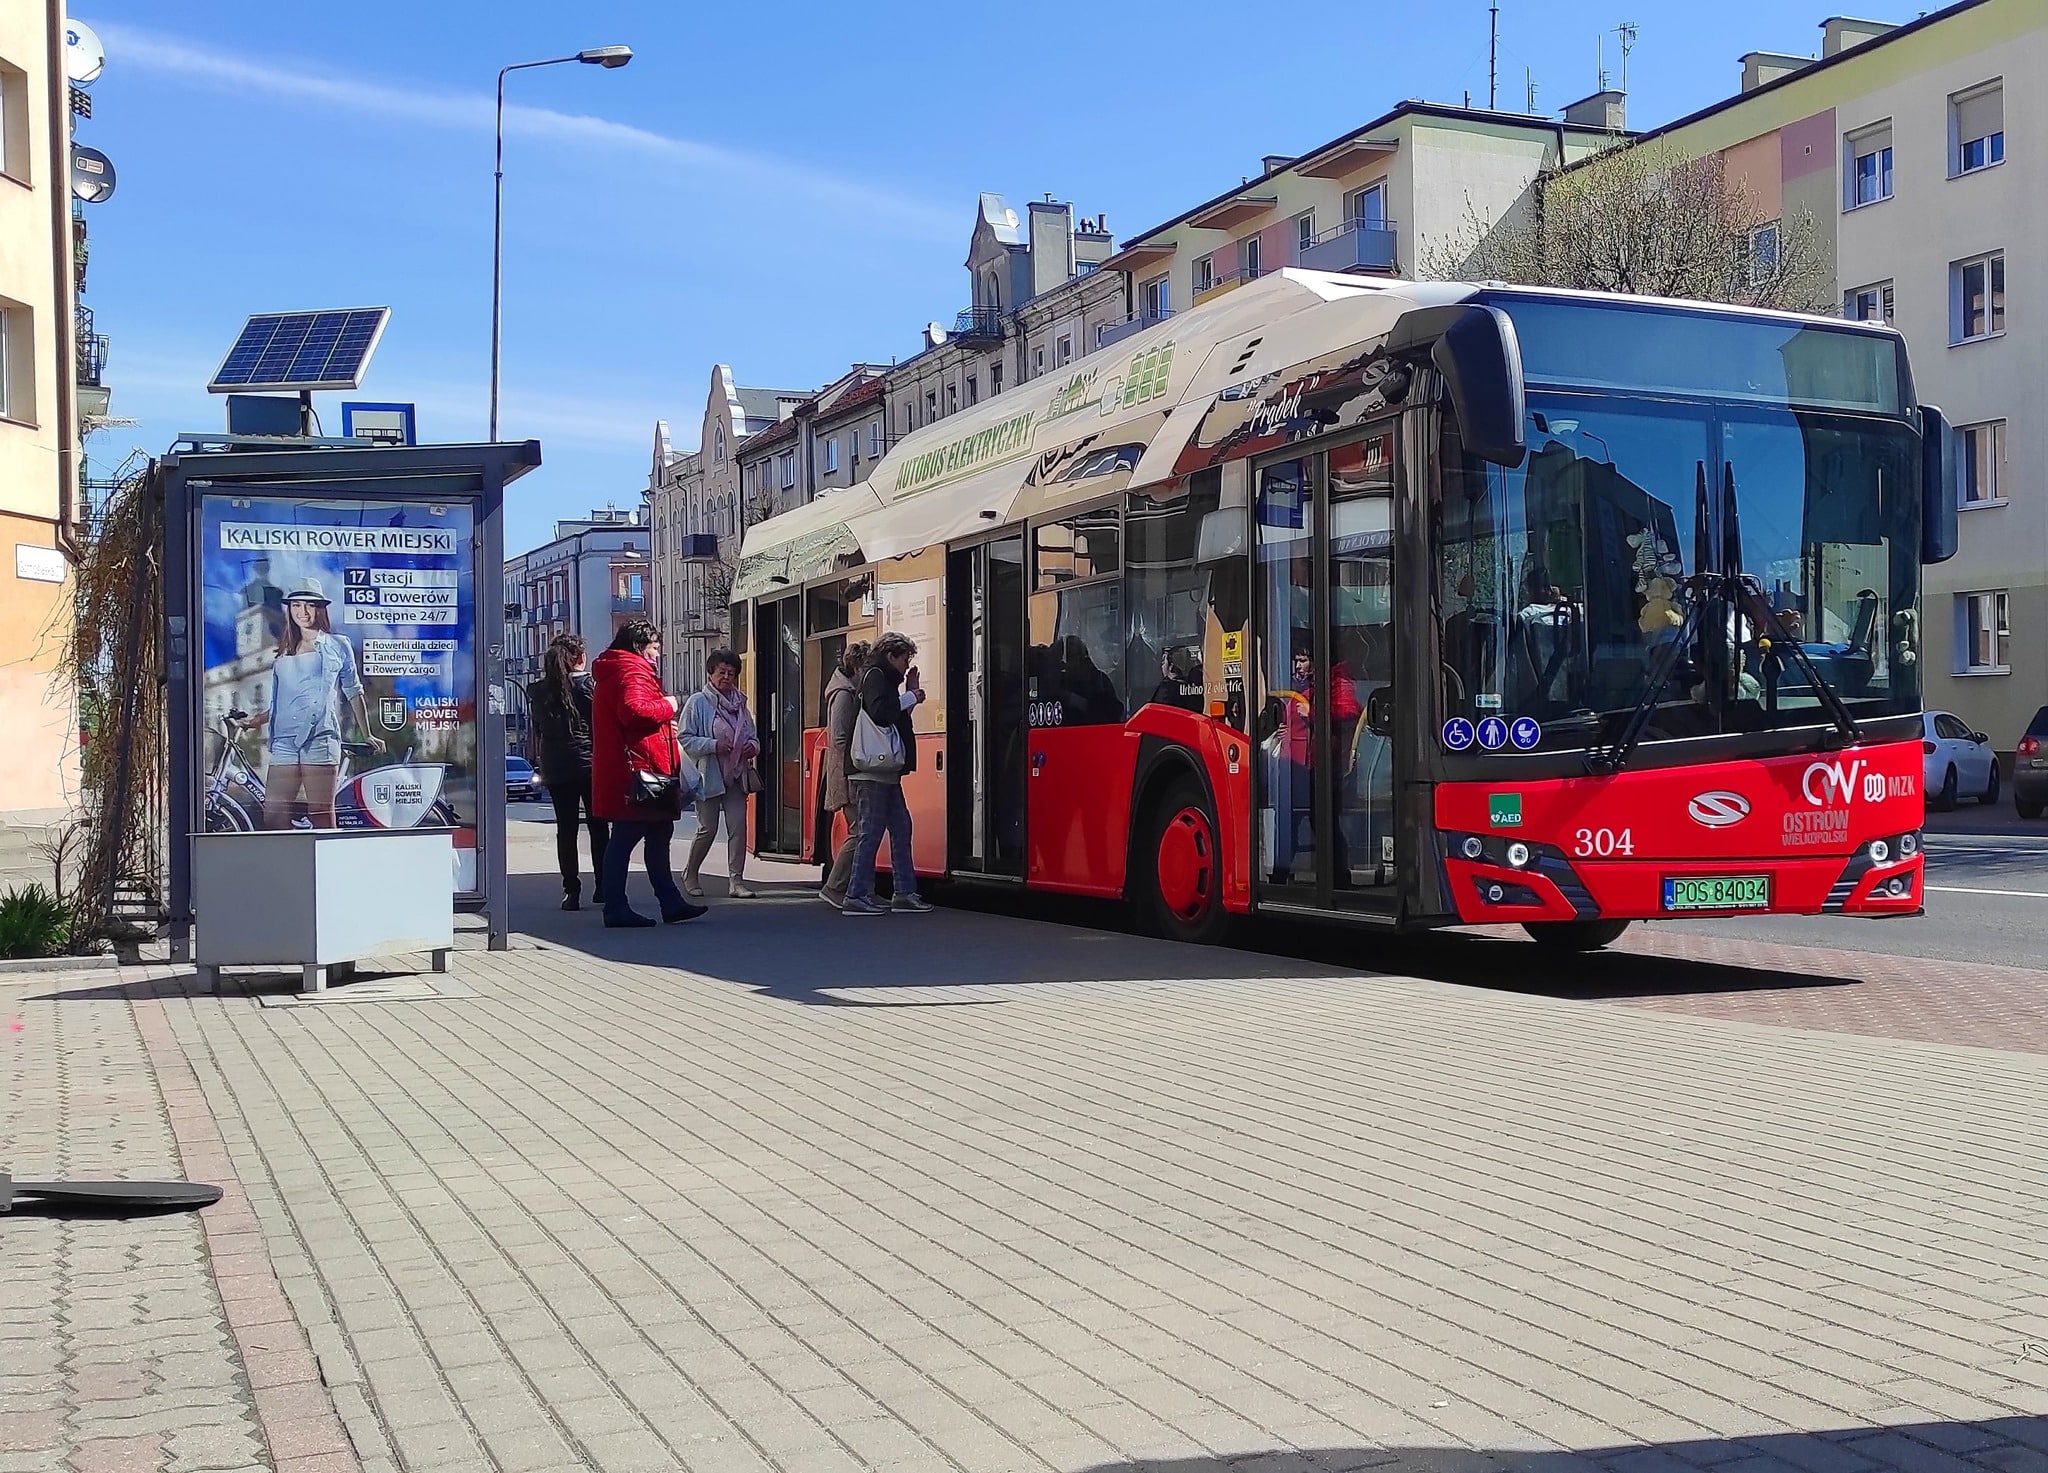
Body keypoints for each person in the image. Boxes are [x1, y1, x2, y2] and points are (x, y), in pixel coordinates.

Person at [590, 621, 705, 928]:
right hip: (640, 771)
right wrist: (668, 706)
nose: (657, 655)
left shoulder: (615, 670)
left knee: (657, 834)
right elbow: (634, 710)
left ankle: (670, 903)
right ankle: (617, 907)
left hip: (635, 768)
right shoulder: (631, 671)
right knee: (628, 837)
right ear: (639, 646)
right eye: (654, 648)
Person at [245, 578, 381, 830]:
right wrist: (255, 721)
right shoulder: (284, 651)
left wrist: (367, 733)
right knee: (274, 813)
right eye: (296, 605)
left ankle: (328, 865)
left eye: (309, 605)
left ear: (320, 609)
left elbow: (353, 690)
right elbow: (281, 703)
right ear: (290, 610)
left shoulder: (337, 645)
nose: (303, 612)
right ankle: (285, 867)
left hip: (319, 737)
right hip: (284, 739)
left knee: (319, 811)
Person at [843, 632, 934, 917]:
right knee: (870, 833)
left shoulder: (882, 678)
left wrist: (909, 694)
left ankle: (904, 893)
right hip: (870, 772)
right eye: (905, 659)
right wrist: (911, 695)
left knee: (901, 828)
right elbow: (882, 713)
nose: (906, 665)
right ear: (891, 655)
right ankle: (856, 895)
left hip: (884, 771)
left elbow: (889, 717)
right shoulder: (875, 677)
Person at [526, 634, 608, 911]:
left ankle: (571, 891)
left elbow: (539, 730)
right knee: (598, 827)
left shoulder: (538, 691)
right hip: (588, 764)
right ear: (580, 658)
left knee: (566, 829)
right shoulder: (588, 687)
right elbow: (601, 726)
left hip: (556, 767)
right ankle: (603, 885)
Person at [679, 647, 760, 899]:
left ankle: (736, 881)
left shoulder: (741, 703)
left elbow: (754, 737)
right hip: (708, 775)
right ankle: (690, 873)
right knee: (708, 828)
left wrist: (751, 747)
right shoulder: (697, 703)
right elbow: (685, 737)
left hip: (737, 774)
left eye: (731, 673)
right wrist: (714, 745)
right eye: (722, 672)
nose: (726, 677)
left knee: (738, 828)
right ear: (710, 674)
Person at [817, 640, 869, 909]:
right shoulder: (845, 695)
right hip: (847, 773)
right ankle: (835, 887)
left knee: (863, 829)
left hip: (848, 771)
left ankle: (861, 888)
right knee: (859, 830)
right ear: (858, 666)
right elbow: (838, 737)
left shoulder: (847, 690)